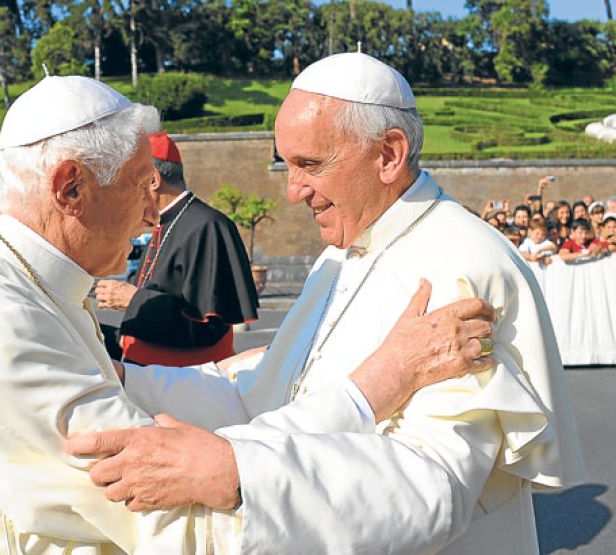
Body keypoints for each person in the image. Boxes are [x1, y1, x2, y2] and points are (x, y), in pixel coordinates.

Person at [0, 75, 500, 554]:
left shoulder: (9, 285)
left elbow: (132, 397)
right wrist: (376, 383)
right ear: (70, 187)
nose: (153, 213)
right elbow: (175, 511)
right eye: (140, 183)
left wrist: (242, 379)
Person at [69, 54, 585, 554]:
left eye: (309, 165)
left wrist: (238, 471)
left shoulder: (462, 266)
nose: (294, 192)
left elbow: (435, 484)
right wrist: (124, 380)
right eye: (286, 165)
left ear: (388, 154)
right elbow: (266, 399)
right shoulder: (340, 254)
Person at [94, 131, 259, 366]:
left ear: (153, 179)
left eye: (128, 182)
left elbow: (206, 327)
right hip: (150, 379)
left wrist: (133, 299)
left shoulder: (207, 227)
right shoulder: (165, 224)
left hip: (184, 386)